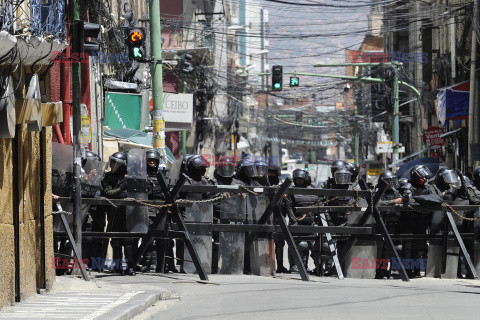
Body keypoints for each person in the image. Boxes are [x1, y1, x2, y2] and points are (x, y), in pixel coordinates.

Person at [102, 151, 136, 275]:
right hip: (114, 211)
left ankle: (130, 266)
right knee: (116, 241)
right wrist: (121, 188)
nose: (113, 165)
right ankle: (117, 266)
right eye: (112, 163)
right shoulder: (108, 177)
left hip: (128, 212)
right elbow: (108, 192)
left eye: (116, 163)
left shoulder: (130, 177)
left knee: (128, 241)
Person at [286, 169, 318, 273]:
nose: (299, 181)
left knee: (311, 245)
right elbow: (289, 207)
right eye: (297, 179)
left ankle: (308, 266)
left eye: (301, 179)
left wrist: (316, 221)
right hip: (296, 223)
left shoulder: (313, 191)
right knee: (298, 245)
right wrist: (293, 220)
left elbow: (319, 206)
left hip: (310, 223)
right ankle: (295, 266)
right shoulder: (291, 191)